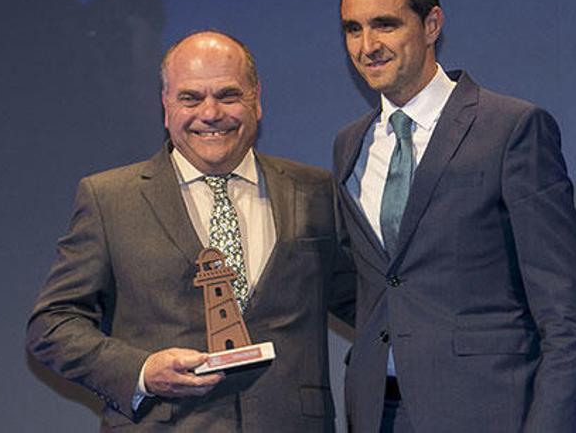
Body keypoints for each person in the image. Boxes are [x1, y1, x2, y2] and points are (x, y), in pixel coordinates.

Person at [26, 30, 353, 431]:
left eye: (228, 95)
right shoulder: (109, 199)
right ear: (166, 108)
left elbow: (366, 303)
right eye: (191, 98)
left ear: (257, 99)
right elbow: (52, 325)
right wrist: (142, 371)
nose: (211, 113)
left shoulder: (314, 189)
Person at [332, 0, 576, 433]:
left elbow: (565, 308)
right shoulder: (350, 145)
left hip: (489, 410)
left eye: (385, 24)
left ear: (431, 24)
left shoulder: (511, 128)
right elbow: (375, 284)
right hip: (378, 413)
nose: (367, 45)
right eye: (353, 28)